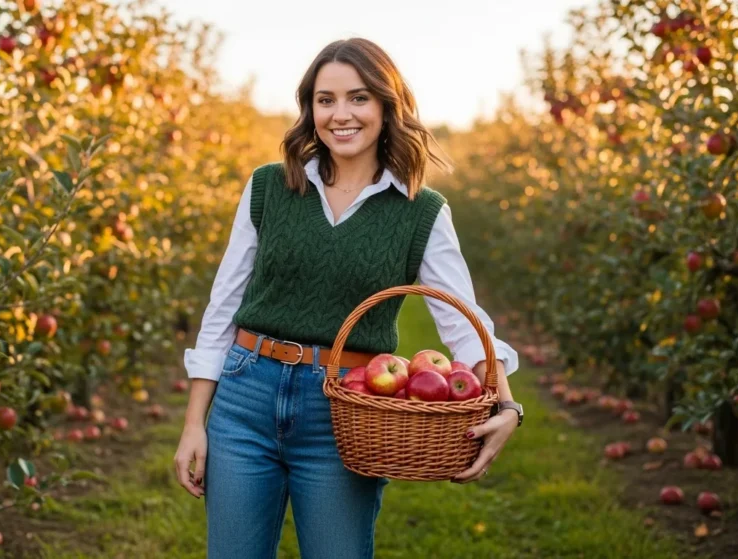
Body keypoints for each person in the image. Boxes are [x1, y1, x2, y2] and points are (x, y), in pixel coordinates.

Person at [173, 37, 523, 559]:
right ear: (309, 109)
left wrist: (508, 403)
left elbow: (461, 321)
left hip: (345, 410)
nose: (341, 114)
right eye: (325, 99)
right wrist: (193, 424)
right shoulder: (270, 187)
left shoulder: (419, 210)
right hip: (245, 398)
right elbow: (223, 307)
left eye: (358, 98)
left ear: (386, 106)